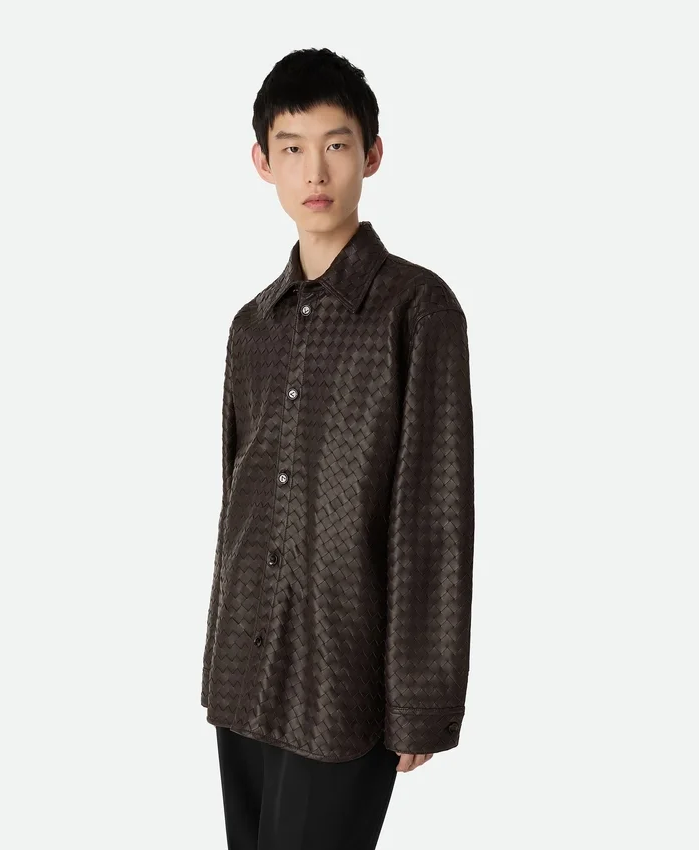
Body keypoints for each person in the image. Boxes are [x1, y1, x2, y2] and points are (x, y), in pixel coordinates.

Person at [201, 47, 475, 849]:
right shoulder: (252, 326)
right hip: (243, 666)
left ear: (372, 154)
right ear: (263, 162)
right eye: (292, 148)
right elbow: (235, 501)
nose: (314, 171)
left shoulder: (417, 309)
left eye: (336, 144)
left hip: (342, 673)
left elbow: (434, 515)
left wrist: (420, 699)